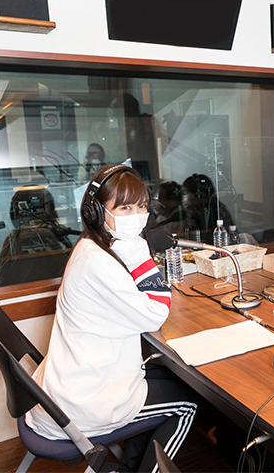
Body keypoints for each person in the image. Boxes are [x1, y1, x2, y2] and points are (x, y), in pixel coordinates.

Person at [25, 165, 198, 472]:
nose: (137, 216)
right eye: (125, 208)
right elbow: (156, 313)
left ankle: (131, 466)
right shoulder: (99, 263)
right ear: (95, 212)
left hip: (69, 386)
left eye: (142, 207)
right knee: (188, 402)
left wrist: (135, 248)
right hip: (83, 403)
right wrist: (141, 252)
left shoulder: (90, 247)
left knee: (168, 376)